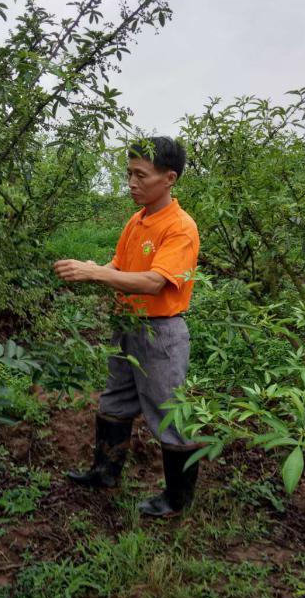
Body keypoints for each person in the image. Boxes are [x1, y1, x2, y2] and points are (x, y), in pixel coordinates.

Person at [52, 136, 200, 517]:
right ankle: (105, 473)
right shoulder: (137, 221)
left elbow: (154, 282)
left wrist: (95, 274)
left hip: (161, 334)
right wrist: (93, 270)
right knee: (116, 398)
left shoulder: (180, 227)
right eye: (129, 174)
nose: (132, 183)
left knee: (168, 412)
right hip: (127, 325)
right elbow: (118, 266)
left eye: (141, 175)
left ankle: (177, 500)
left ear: (169, 178)